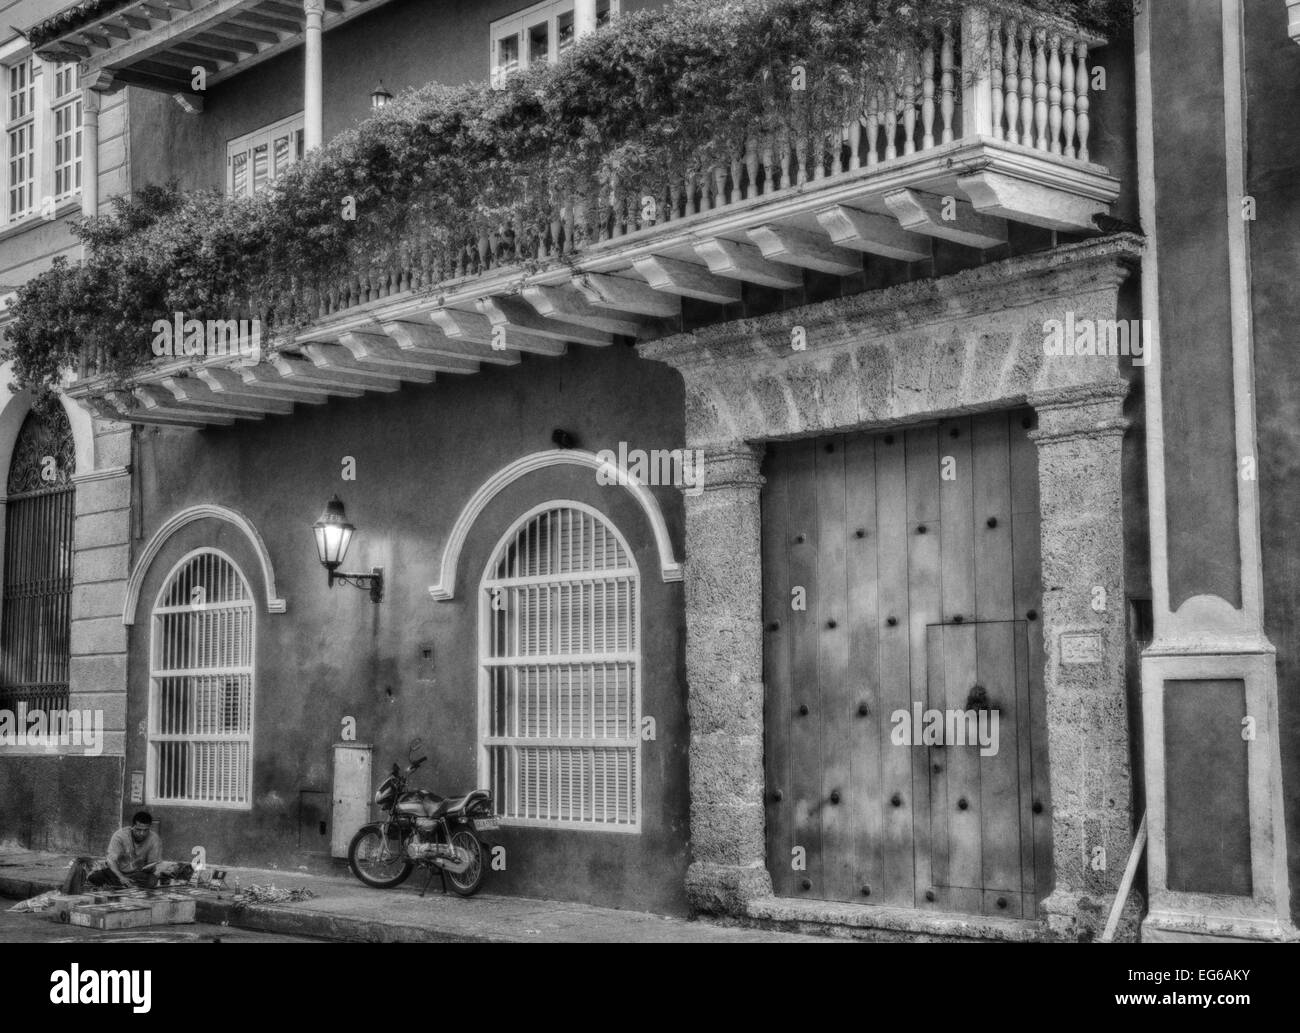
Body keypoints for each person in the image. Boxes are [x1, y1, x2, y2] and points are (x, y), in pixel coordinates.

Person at [87, 812, 162, 890]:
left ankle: (121, 886)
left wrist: (152, 867)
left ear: (149, 828)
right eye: (138, 830)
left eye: (145, 830)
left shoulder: (154, 839)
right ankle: (124, 886)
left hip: (137, 874)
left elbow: (153, 864)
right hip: (117, 873)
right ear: (132, 826)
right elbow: (111, 861)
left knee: (152, 880)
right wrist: (121, 877)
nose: (142, 833)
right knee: (95, 877)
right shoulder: (120, 836)